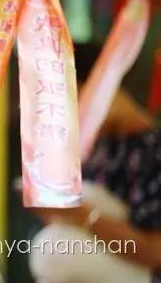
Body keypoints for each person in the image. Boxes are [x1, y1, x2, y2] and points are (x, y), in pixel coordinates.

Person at [29, 43, 161, 283]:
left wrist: (82, 215)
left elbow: (155, 253)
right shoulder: (96, 148)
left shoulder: (153, 152)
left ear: (102, 87)